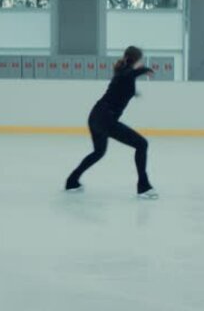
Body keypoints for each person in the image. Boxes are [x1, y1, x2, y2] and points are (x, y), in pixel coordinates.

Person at [65, 46, 158, 200]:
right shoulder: (127, 72)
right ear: (136, 60)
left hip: (96, 116)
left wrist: (134, 93)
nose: (142, 62)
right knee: (142, 144)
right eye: (141, 60)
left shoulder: (123, 73)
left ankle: (72, 181)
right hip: (105, 119)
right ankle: (143, 187)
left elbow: (122, 85)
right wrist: (145, 69)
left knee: (98, 152)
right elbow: (129, 75)